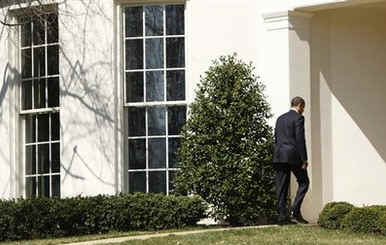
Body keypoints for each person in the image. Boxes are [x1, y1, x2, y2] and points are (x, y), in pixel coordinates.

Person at [273, 96, 310, 225]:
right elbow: (300, 139)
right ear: (299, 105)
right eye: (303, 107)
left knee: (281, 186)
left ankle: (282, 218)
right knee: (304, 182)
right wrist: (304, 159)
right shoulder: (299, 118)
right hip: (293, 155)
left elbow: (276, 137)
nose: (303, 110)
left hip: (279, 155)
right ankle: (295, 212)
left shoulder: (280, 118)